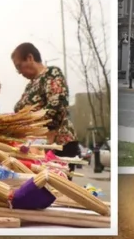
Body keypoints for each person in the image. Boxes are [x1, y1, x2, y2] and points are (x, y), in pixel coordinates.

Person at [11, 42, 80, 174]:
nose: (19, 72)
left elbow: (58, 105)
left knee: (56, 187)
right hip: (37, 144)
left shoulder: (51, 74)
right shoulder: (30, 86)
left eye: (19, 66)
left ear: (30, 58)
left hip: (57, 143)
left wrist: (39, 129)